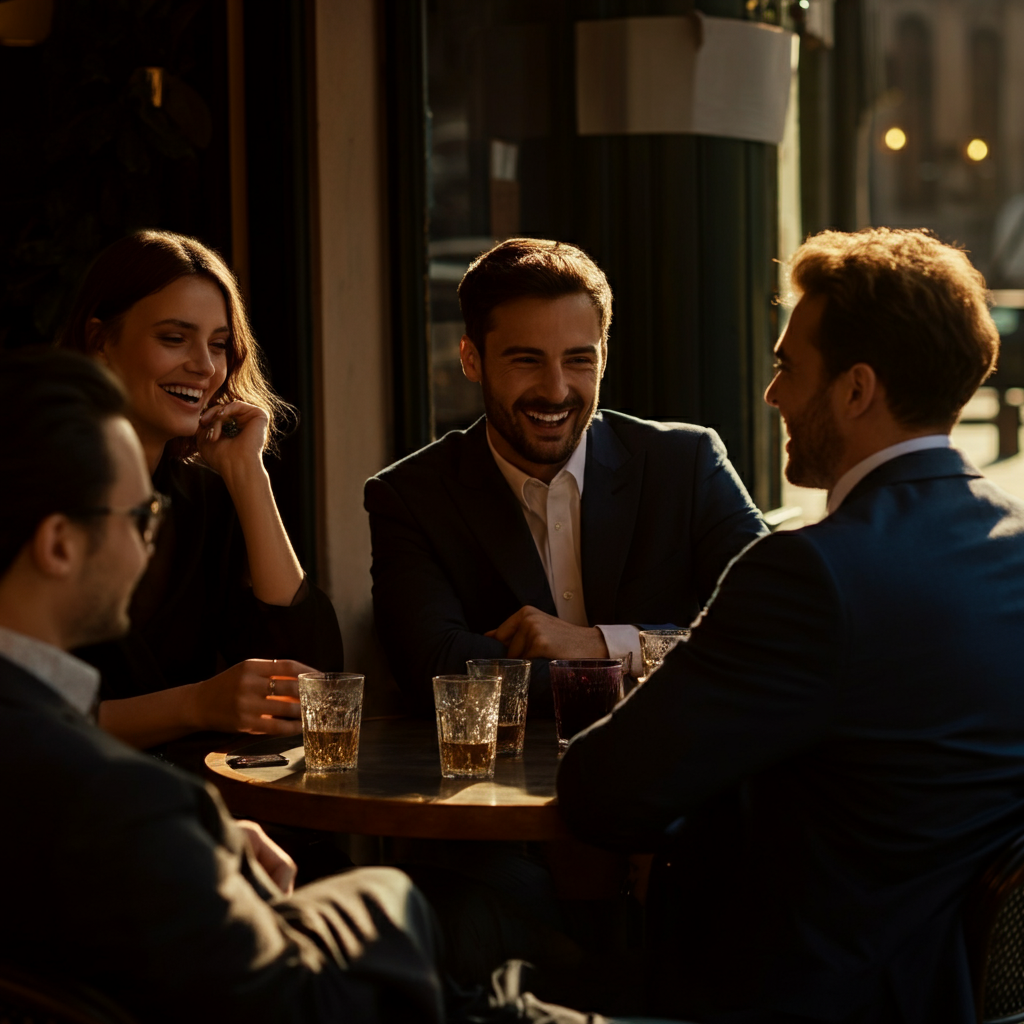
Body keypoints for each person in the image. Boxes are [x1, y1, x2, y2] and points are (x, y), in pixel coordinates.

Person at [0, 347, 634, 1024]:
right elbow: (307, 1007)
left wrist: (191, 855)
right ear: (60, 544)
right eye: (140, 518)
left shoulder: (74, 783)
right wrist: (385, 899)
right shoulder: (116, 804)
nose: (148, 545)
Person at [557, 227, 1024, 1024]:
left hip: (776, 991)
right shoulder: (1011, 547)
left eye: (785, 367)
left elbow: (601, 789)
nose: (771, 395)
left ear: (855, 390)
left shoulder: (811, 574)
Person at [365, 238, 767, 712]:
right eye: (526, 360)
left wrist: (597, 644)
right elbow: (434, 670)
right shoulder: (410, 496)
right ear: (471, 359)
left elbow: (770, 624)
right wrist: (657, 667)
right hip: (502, 782)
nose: (555, 391)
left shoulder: (687, 461)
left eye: (579, 360)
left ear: (603, 356)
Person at [57, 230, 344, 749]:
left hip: (184, 809)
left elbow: (309, 686)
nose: (206, 367)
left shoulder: (207, 501)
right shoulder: (29, 492)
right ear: (101, 341)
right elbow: (20, 717)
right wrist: (194, 705)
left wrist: (247, 474)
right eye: (173, 338)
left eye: (218, 345)